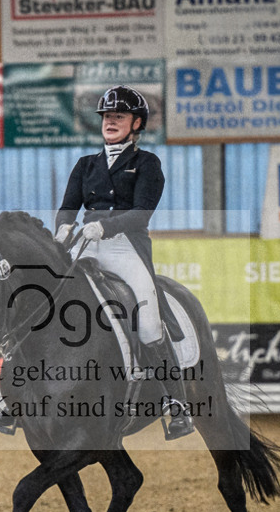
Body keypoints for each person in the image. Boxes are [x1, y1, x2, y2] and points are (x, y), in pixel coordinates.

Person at [54, 84, 194, 440]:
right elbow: (69, 206)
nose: (110, 122)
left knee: (148, 324)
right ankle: (14, 396)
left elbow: (142, 213)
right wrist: (62, 229)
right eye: (106, 116)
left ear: (136, 123)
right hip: (85, 242)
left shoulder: (147, 163)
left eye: (118, 116)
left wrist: (106, 226)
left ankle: (176, 404)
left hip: (125, 246)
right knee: (45, 297)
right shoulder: (86, 165)